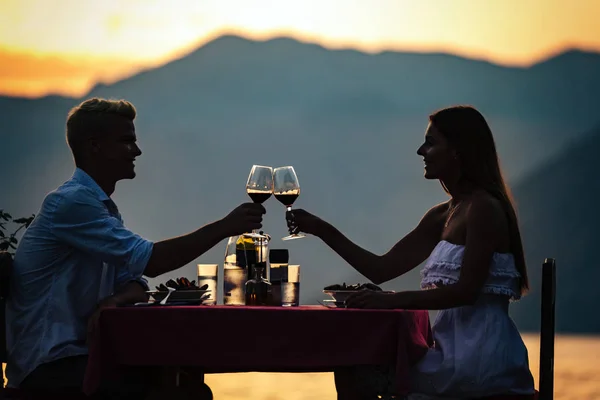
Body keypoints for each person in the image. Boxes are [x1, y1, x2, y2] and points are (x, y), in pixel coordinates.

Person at [5, 98, 265, 398]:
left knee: (190, 383)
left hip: (84, 358)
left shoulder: (101, 209)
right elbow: (151, 262)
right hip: (50, 367)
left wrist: (117, 299)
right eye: (127, 141)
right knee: (184, 390)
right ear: (94, 146)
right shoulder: (70, 203)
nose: (137, 151)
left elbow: (137, 281)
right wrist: (224, 228)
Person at [289, 106, 536, 399]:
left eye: (431, 143)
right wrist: (320, 229)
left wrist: (391, 300)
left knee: (356, 370)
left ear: (457, 150)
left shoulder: (483, 208)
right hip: (448, 354)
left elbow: (466, 292)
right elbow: (380, 269)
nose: (421, 151)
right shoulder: (442, 214)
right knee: (352, 364)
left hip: (480, 360)